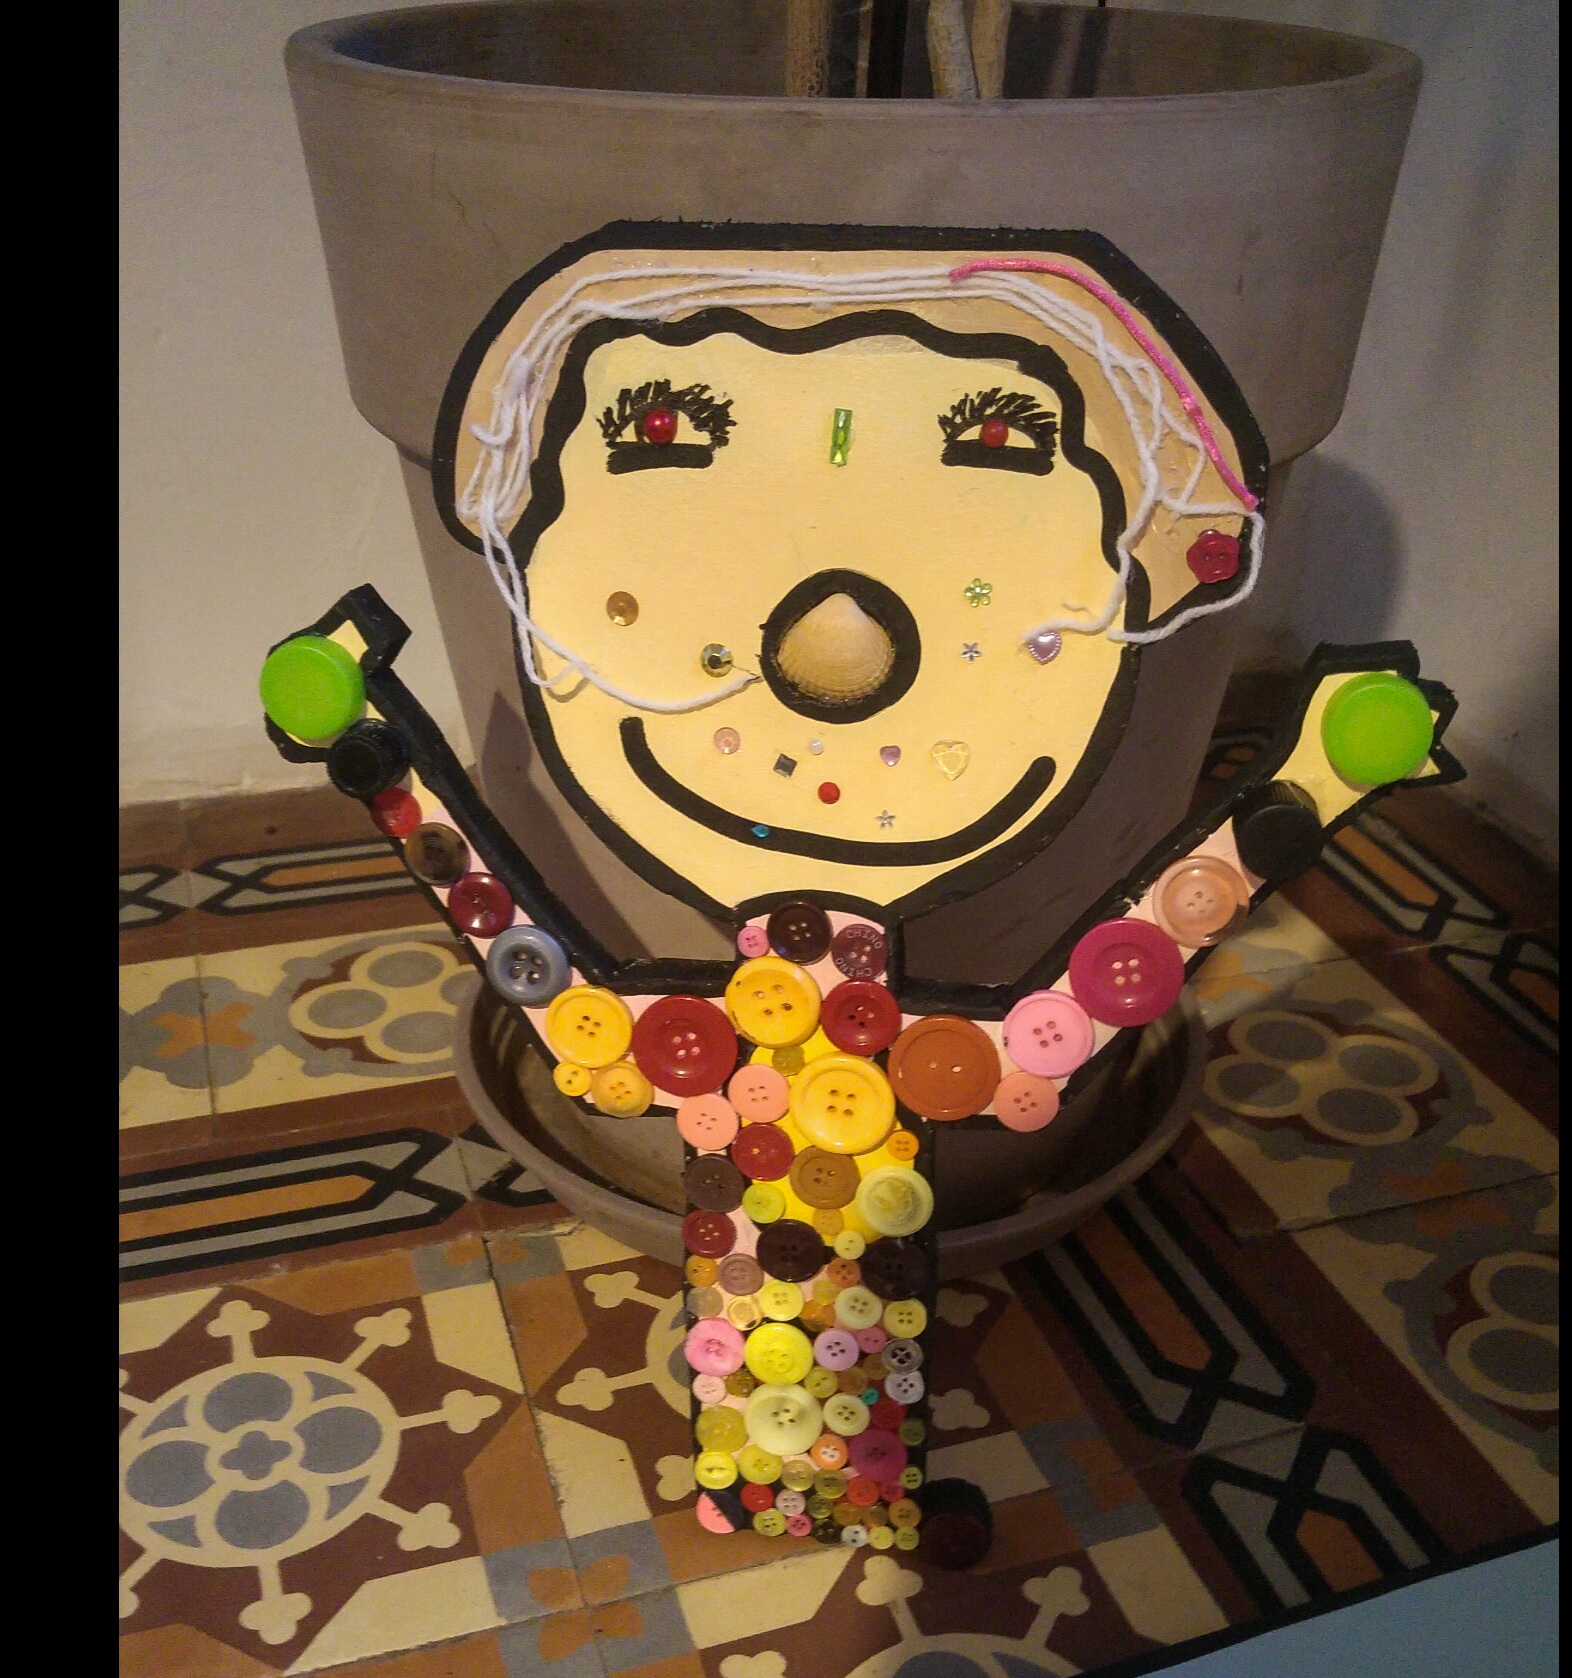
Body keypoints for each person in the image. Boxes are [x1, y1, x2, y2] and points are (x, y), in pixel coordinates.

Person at [259, 224, 1461, 1565]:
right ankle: (780, 1484)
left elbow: (1094, 992)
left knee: (841, 1316)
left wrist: (1303, 789)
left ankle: (846, 1487)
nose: (837, 652)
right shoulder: (693, 1042)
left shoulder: (909, 1046)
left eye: (996, 444)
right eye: (663, 432)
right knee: (773, 1327)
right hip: (766, 1267)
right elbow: (535, 965)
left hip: (853, 1236)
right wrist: (381, 759)